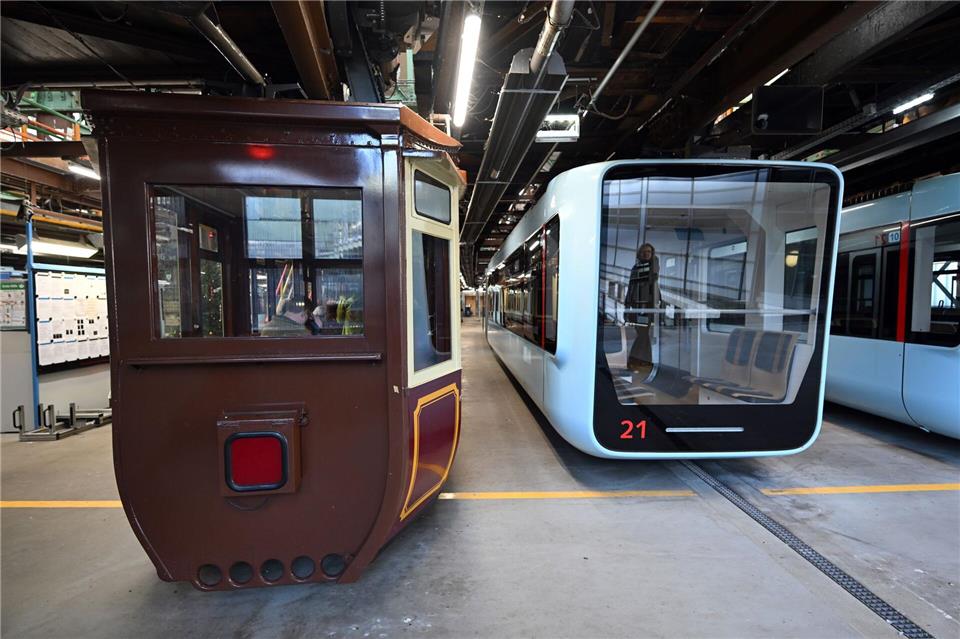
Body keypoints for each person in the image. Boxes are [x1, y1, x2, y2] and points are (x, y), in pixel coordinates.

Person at [624, 243, 660, 375]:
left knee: (643, 334)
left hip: (648, 306)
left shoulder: (652, 267)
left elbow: (654, 275)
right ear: (640, 253)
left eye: (649, 252)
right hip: (637, 306)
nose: (647, 254)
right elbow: (631, 287)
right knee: (643, 334)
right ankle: (641, 361)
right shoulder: (636, 268)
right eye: (644, 252)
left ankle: (638, 361)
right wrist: (627, 307)